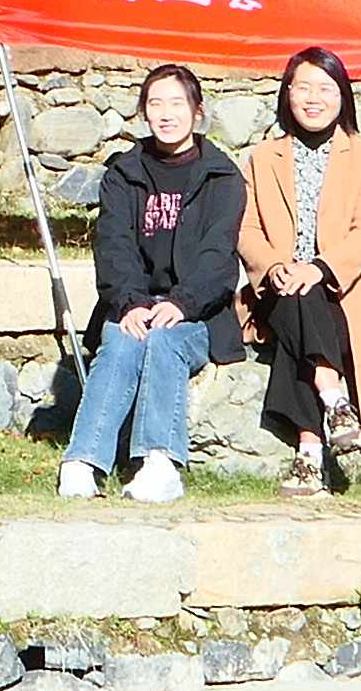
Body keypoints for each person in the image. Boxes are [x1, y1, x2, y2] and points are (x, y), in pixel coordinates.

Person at [64, 62, 242, 505]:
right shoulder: (124, 173)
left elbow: (218, 256)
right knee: (121, 340)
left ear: (197, 111)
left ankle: (160, 463)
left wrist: (181, 303)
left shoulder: (222, 176)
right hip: (135, 304)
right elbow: (113, 246)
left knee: (164, 340)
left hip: (198, 313)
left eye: (177, 104)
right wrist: (130, 303)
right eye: (156, 103)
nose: (166, 114)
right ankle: (82, 462)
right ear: (144, 112)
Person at [235, 44, 361, 494]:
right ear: (287, 94)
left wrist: (320, 268)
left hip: (342, 291)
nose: (313, 98)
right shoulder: (264, 158)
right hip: (278, 288)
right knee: (295, 295)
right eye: (303, 88)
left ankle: (308, 451)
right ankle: (335, 399)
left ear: (343, 96)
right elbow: (246, 227)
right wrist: (273, 266)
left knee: (304, 308)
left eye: (325, 88)